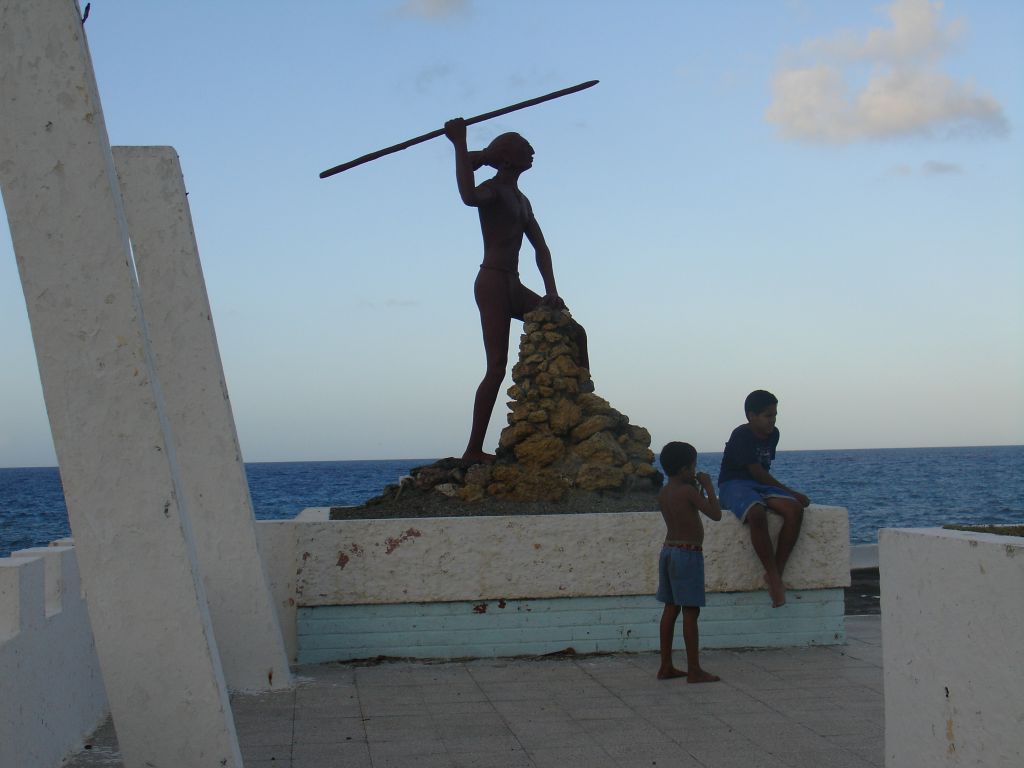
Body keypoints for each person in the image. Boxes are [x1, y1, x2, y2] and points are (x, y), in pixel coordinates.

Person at [443, 117, 588, 465]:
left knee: (575, 331)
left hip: (513, 283)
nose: (532, 151)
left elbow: (541, 249)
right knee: (496, 367)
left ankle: (583, 405)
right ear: (508, 159)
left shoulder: (523, 200)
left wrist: (551, 291)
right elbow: (468, 197)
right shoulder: (493, 190)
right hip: (492, 283)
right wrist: (460, 143)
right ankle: (473, 449)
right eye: (524, 147)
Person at [717, 390, 810, 608]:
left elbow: (764, 472)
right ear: (752, 416)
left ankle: (776, 573)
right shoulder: (741, 435)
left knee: (794, 510)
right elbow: (757, 471)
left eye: (775, 415)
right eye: (768, 416)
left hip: (760, 485)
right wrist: (792, 492)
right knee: (756, 513)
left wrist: (791, 498)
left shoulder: (773, 434)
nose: (773, 420)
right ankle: (774, 577)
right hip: (734, 483)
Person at [655, 441, 722, 683]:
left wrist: (696, 487)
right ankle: (694, 669)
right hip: (688, 553)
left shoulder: (664, 492)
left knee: (670, 608)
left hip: (668, 551)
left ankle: (666, 666)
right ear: (684, 469)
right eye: (693, 467)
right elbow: (715, 514)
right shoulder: (688, 491)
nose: (695, 471)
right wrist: (708, 486)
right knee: (691, 612)